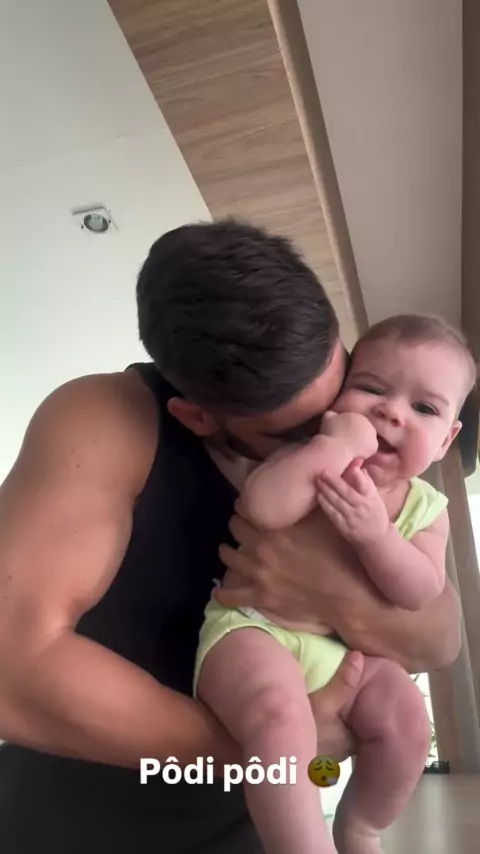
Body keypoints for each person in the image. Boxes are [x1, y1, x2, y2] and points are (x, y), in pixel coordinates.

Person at [0, 220, 461, 853]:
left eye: (345, 391)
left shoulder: (377, 460)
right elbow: (12, 675)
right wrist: (274, 743)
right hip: (80, 826)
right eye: (296, 434)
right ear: (196, 416)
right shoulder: (105, 420)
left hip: (253, 828)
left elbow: (440, 637)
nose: (344, 433)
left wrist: (327, 590)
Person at [195, 314, 475, 854]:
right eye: (371, 388)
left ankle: (361, 826)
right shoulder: (310, 458)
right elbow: (263, 507)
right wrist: (332, 448)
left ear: (446, 440)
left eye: (424, 408)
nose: (391, 412)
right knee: (277, 716)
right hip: (252, 631)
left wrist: (377, 537)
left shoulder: (426, 508)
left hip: (343, 651)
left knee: (407, 720)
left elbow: (420, 590)